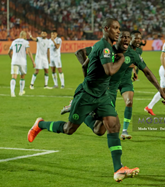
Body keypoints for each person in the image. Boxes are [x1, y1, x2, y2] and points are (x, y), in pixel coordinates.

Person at [27, 18, 140, 182]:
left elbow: (84, 65)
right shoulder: (104, 47)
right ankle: (40, 124)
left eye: (119, 28)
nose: (118, 31)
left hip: (101, 96)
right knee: (69, 129)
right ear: (106, 29)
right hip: (86, 96)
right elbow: (109, 71)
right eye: (115, 28)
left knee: (113, 125)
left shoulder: (105, 47)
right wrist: (121, 60)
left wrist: (93, 80)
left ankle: (118, 169)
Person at [64, 30, 165, 140]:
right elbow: (80, 53)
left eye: (129, 37)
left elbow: (147, 72)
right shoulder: (106, 49)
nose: (128, 40)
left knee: (100, 130)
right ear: (118, 39)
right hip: (101, 91)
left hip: (112, 90)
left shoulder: (134, 55)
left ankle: (80, 111)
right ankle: (79, 107)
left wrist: (160, 90)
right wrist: (91, 74)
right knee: (110, 125)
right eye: (124, 37)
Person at [8, 31, 35, 97]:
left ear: (20, 35)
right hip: (22, 61)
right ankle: (21, 92)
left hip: (14, 61)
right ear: (25, 36)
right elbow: (29, 52)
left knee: (14, 77)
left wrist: (12, 58)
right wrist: (33, 62)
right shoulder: (25, 42)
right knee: (22, 76)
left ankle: (12, 92)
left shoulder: (14, 41)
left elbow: (9, 52)